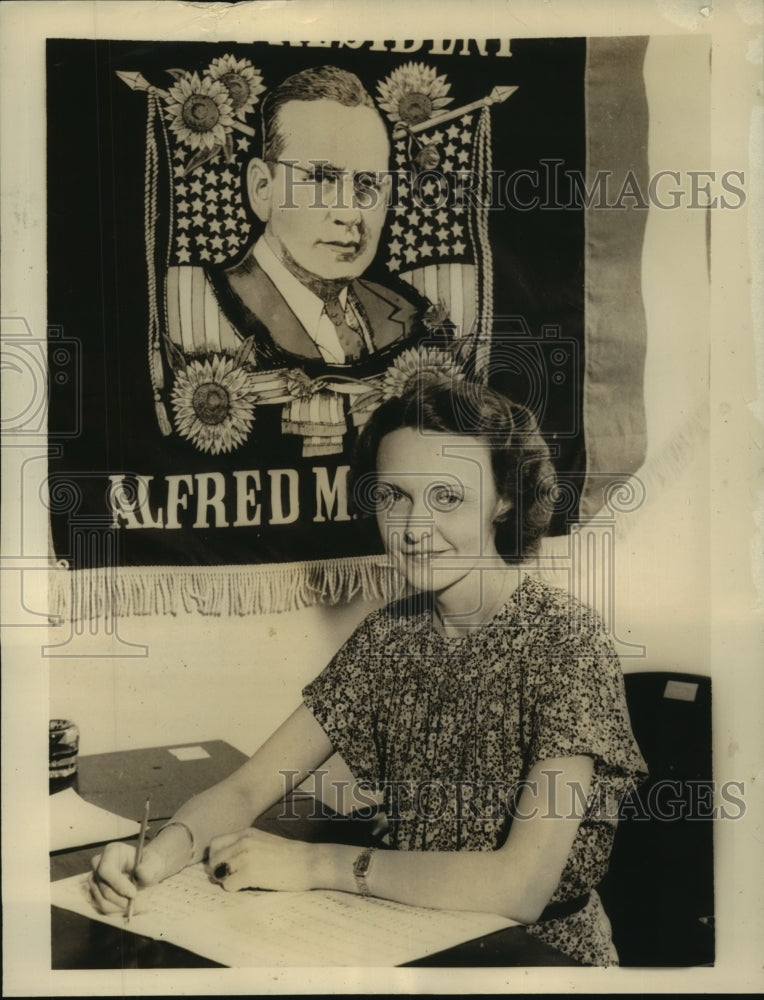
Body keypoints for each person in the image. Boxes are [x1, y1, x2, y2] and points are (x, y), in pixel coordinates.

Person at [89, 374, 647, 967]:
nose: (413, 527)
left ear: (504, 498)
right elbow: (251, 786)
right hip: (409, 939)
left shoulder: (566, 643)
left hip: (539, 961)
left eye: (448, 497)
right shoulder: (389, 636)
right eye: (393, 496)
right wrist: (151, 857)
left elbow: (521, 888)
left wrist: (315, 863)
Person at [211, 65, 441, 373]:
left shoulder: (410, 318)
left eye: (368, 184)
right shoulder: (211, 310)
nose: (349, 214)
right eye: (321, 179)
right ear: (262, 188)